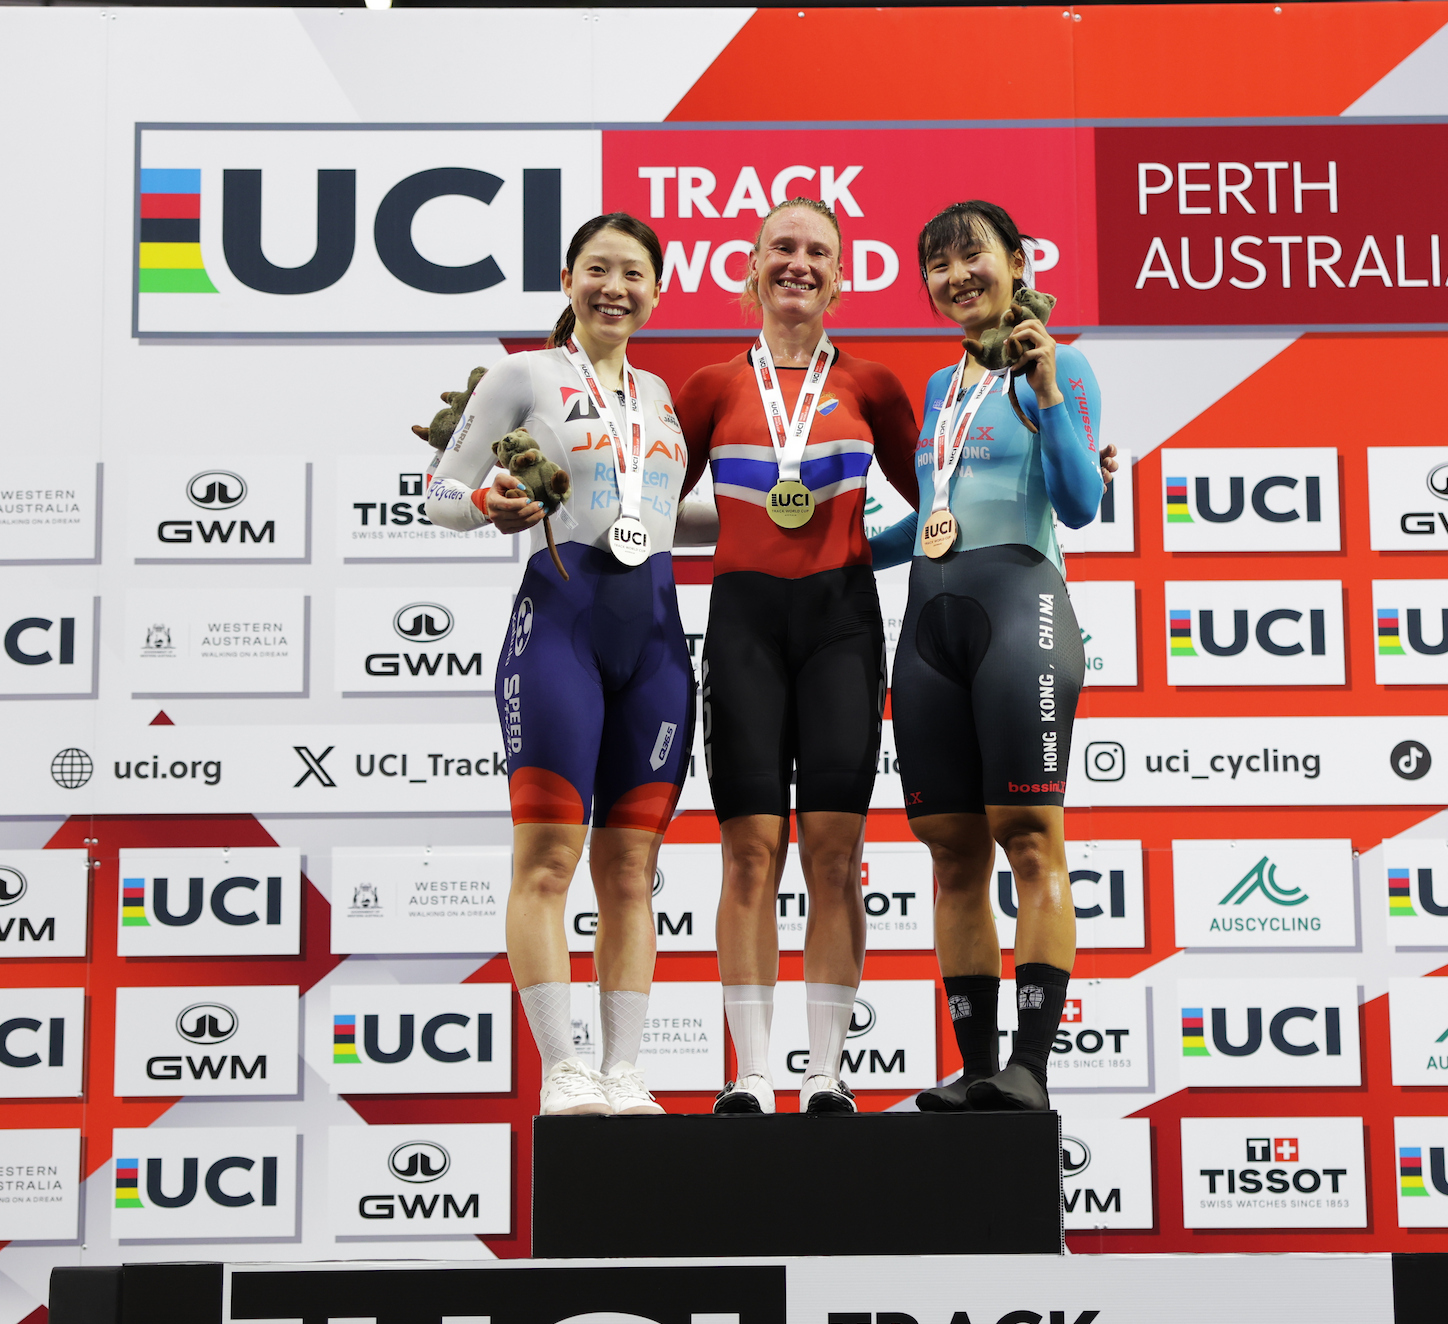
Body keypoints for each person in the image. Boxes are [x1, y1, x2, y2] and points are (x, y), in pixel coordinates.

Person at [423, 212, 691, 1118]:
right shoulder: (524, 374)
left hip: (656, 639)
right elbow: (441, 492)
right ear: (569, 278)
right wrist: (488, 501)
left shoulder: (659, 396)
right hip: (562, 626)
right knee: (546, 858)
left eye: (634, 275)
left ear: (658, 290)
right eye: (598, 270)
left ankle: (625, 1072)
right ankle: (564, 1067)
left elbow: (663, 519)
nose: (616, 288)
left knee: (630, 871)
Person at [671, 198, 923, 1118]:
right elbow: (646, 497)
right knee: (748, 851)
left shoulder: (875, 385)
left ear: (842, 275)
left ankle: (824, 1075)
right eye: (782, 247)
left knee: (833, 849)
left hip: (841, 627)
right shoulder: (707, 386)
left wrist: (1052, 462)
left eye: (819, 251)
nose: (799, 264)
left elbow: (939, 494)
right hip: (741, 627)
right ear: (750, 267)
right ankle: (751, 1074)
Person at [887, 200, 1103, 1114]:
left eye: (972, 255)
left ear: (1016, 261)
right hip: (930, 619)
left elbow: (1083, 500)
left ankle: (1030, 1071)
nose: (956, 276)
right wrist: (825, 548)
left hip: (1023, 609)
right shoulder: (939, 390)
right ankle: (976, 1068)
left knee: (1028, 838)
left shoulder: (1065, 363)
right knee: (950, 855)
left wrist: (1049, 390)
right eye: (938, 265)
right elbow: (930, 518)